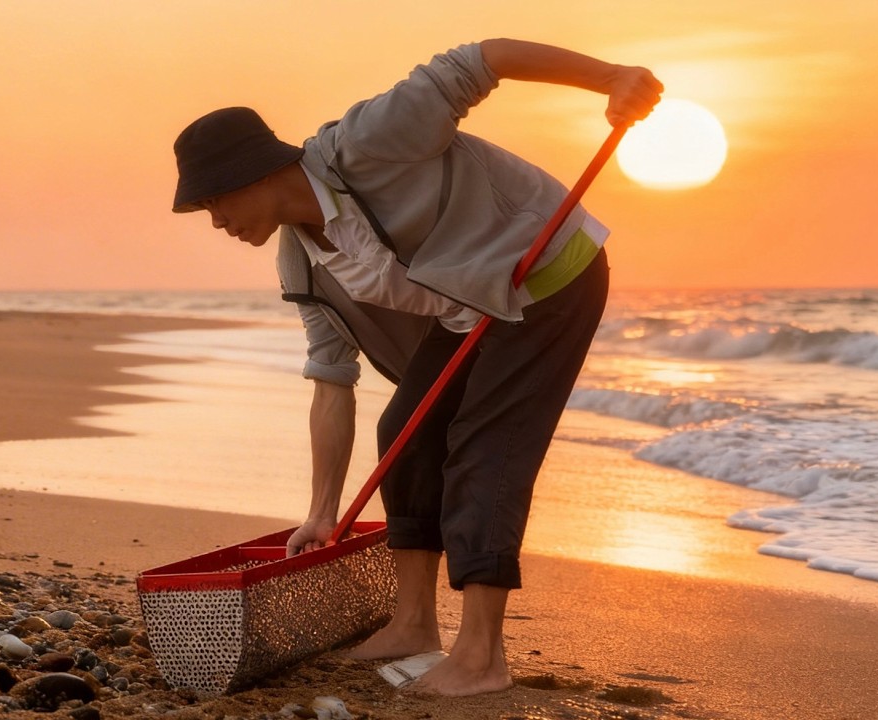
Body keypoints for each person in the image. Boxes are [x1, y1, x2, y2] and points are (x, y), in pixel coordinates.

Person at [171, 39, 662, 696]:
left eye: (213, 204)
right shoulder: (302, 263)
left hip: (548, 277)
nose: (215, 222)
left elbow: (482, 60)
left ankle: (483, 656)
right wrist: (321, 511)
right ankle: (413, 624)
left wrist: (612, 77)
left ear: (253, 176)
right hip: (469, 308)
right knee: (405, 432)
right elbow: (330, 384)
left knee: (486, 451)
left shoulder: (368, 141)